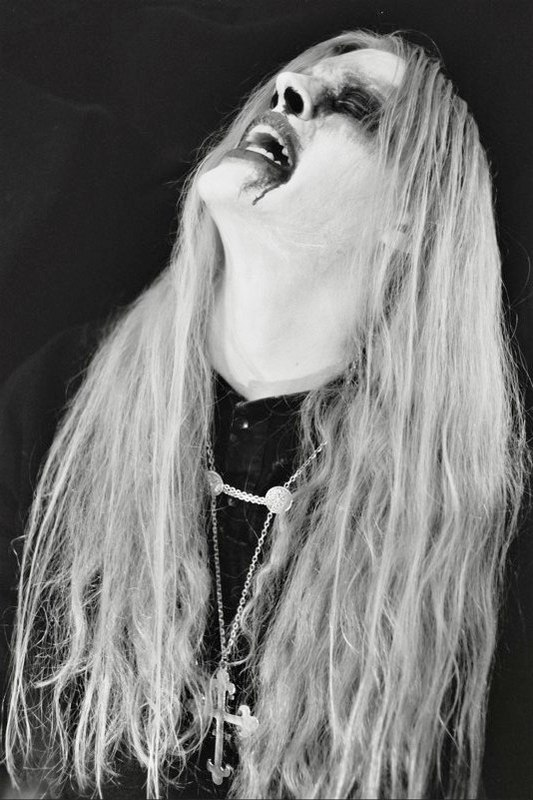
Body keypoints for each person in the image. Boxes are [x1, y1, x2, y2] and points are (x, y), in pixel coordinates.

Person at [0, 28, 529, 800]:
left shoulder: (474, 523)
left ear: (410, 219)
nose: (289, 91)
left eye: (352, 106)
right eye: (288, 81)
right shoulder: (60, 396)